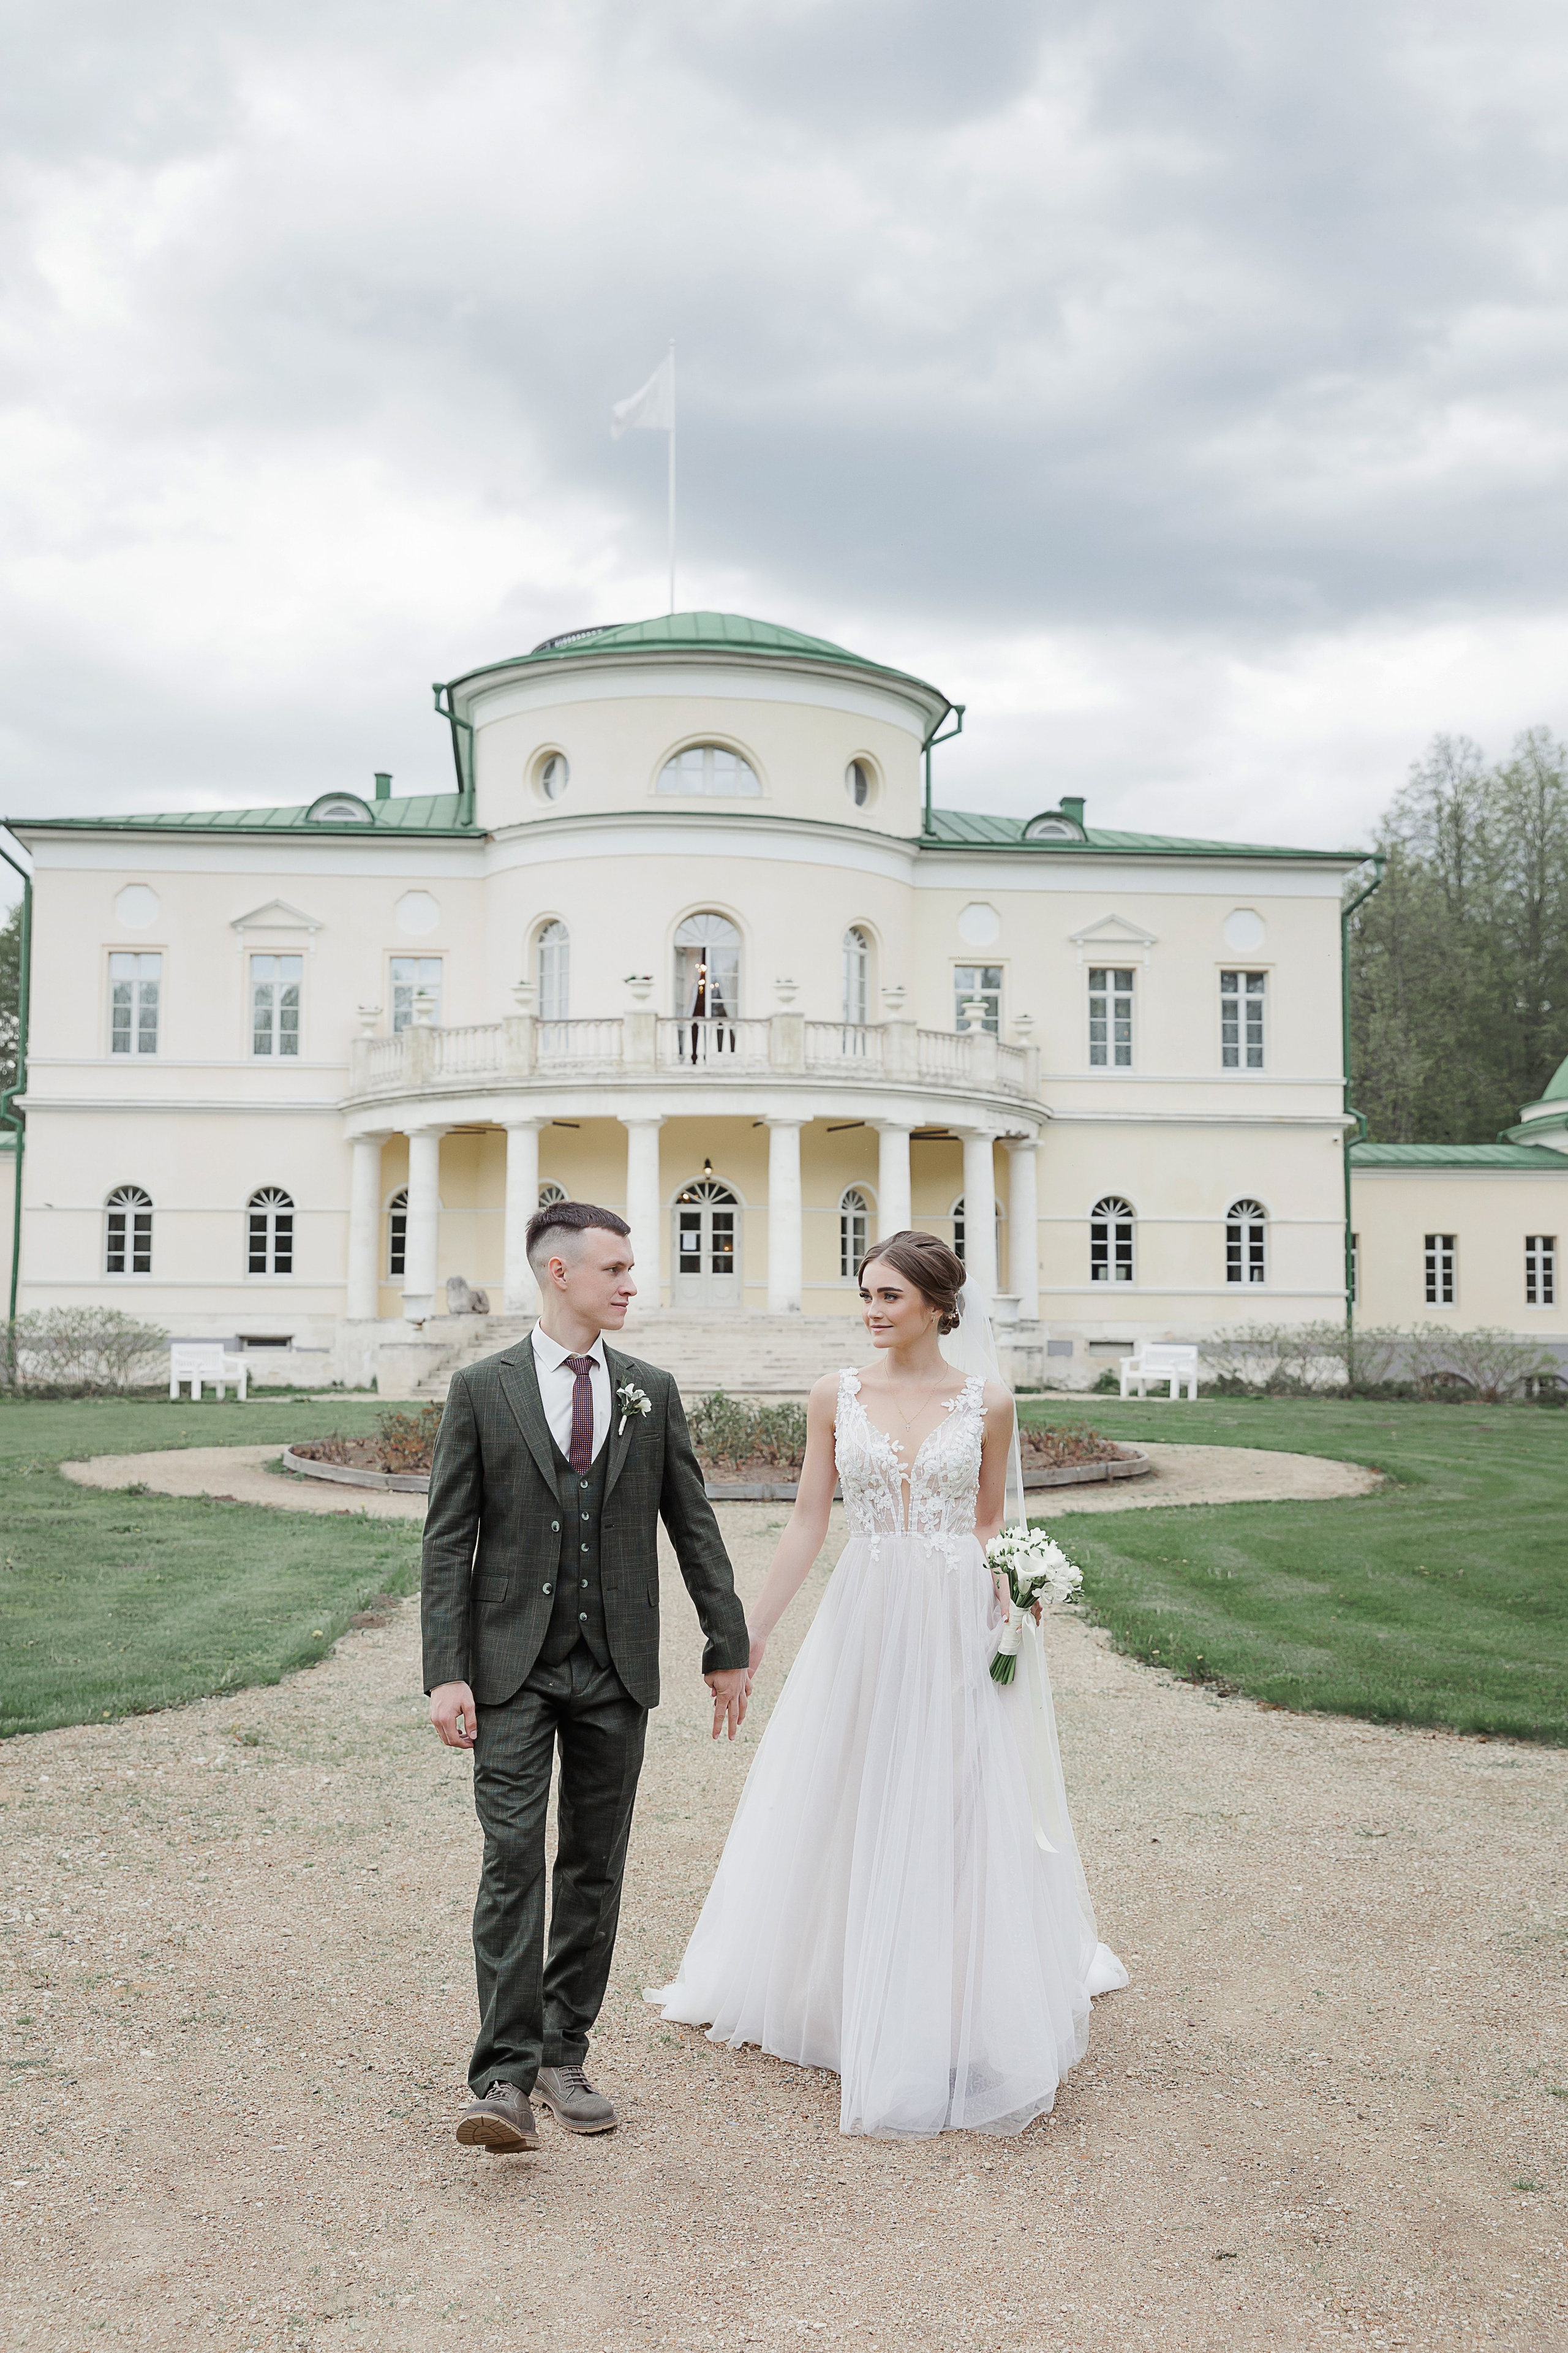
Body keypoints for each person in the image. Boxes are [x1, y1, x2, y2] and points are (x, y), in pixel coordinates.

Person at [646, 1229, 1126, 2139]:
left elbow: (988, 1521)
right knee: (853, 1779)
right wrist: (747, 1639)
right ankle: (839, 1984)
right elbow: (804, 1525)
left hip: (954, 1616)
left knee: (954, 1795)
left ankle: (949, 1999)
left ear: (939, 1306)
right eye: (865, 1294)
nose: (871, 1312)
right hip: (868, 1610)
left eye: (889, 1298)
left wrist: (1015, 1588)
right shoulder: (836, 1394)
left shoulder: (989, 1402)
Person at [422, 1201, 751, 2155]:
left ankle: (567, 2050)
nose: (630, 1282)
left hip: (616, 1665)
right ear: (557, 1273)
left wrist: (724, 1644)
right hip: (510, 1667)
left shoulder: (651, 1389)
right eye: (613, 1268)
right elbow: (449, 1541)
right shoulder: (481, 1389)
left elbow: (694, 1526)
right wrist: (447, 1672)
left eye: (630, 1267)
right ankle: (504, 2074)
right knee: (514, 1853)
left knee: (594, 1863)